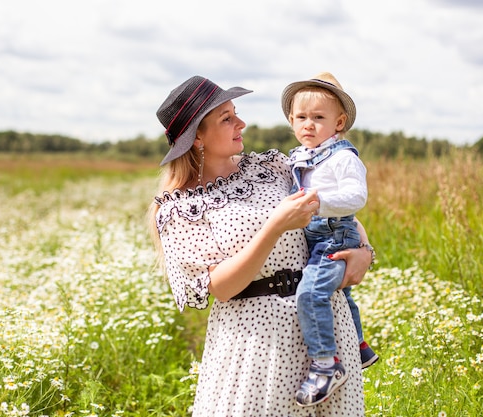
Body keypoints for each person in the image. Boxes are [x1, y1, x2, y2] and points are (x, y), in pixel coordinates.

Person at [148, 75, 373, 416]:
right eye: (226, 118)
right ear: (197, 139)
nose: (242, 122)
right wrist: (274, 226)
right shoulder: (180, 210)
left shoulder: (272, 167)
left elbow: (335, 210)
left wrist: (364, 252)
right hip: (256, 338)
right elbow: (222, 288)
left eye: (235, 112)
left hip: (324, 334)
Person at [281, 72, 378, 407]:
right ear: (291, 120)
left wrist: (317, 201)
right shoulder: (299, 156)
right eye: (301, 117)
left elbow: (356, 197)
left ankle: (326, 363)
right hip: (318, 235)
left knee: (311, 293)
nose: (309, 124)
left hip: (335, 234)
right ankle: (359, 345)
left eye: (319, 118)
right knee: (344, 294)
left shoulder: (342, 157)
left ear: (339, 122)